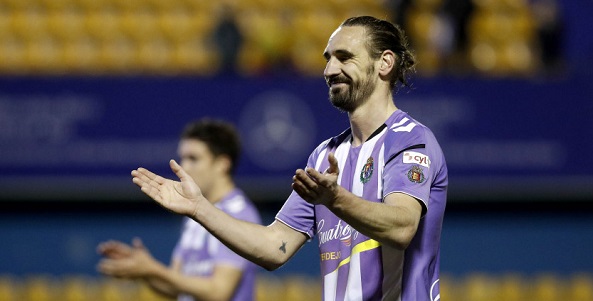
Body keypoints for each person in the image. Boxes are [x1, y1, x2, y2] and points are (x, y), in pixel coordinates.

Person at [132, 16, 448, 301]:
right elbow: (274, 247)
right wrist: (199, 207)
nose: (329, 70)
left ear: (385, 63)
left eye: (344, 57)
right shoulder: (324, 156)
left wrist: (336, 199)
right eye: (327, 59)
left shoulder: (410, 139)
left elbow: (402, 226)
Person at [98, 119, 261, 301]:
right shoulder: (195, 212)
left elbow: (219, 292)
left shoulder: (238, 213)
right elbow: (175, 288)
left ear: (222, 163)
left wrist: (153, 269)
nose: (185, 167)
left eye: (193, 158)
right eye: (183, 158)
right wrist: (143, 271)